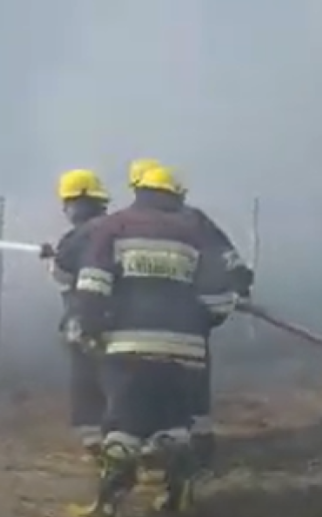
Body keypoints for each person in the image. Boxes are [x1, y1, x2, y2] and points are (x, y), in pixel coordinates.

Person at [65, 165, 240, 516]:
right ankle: (176, 498)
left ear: (138, 190)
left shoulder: (115, 226)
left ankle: (106, 506)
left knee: (123, 428)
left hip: (128, 347)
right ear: (176, 195)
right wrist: (194, 326)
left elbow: (93, 283)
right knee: (174, 426)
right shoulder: (194, 231)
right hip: (185, 351)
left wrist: (89, 328)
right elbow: (219, 299)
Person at [126, 158, 255, 471]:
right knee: (190, 381)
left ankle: (158, 445)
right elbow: (229, 259)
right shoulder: (195, 221)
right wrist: (234, 289)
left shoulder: (129, 223)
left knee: (142, 384)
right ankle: (193, 442)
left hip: (141, 324)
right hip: (190, 321)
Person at [39, 169, 111, 460]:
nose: (65, 211)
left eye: (67, 204)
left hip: (85, 317)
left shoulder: (77, 236)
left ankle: (94, 438)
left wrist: (50, 259)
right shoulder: (118, 229)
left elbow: (63, 276)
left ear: (77, 204)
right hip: (123, 318)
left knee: (86, 377)